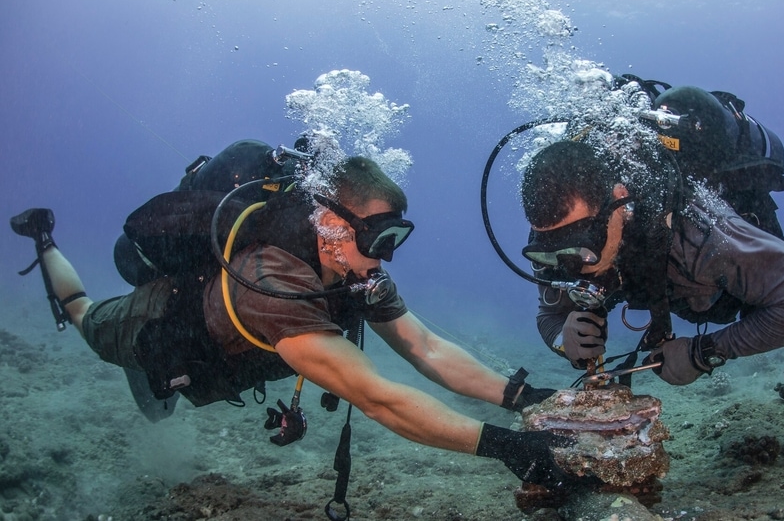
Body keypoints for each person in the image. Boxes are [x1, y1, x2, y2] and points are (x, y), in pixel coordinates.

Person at [10, 152, 575, 492]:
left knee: (159, 407)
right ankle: (44, 237)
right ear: (330, 222)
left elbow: (424, 347)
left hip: (218, 368)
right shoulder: (271, 280)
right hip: (152, 325)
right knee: (85, 320)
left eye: (396, 238)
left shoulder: (353, 273)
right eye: (378, 238)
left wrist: (523, 396)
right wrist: (510, 447)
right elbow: (377, 396)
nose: (385, 258)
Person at [515, 85, 784, 385]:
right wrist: (561, 336)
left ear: (620, 203)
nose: (571, 267)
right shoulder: (556, 239)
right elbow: (549, 314)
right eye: (552, 252)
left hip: (727, 261)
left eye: (582, 247)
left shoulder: (703, 229)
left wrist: (706, 353)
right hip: (680, 279)